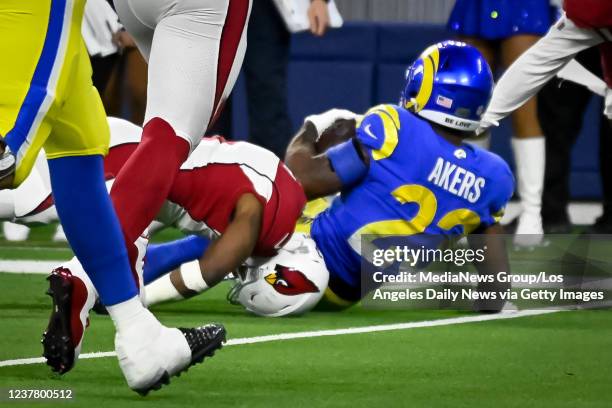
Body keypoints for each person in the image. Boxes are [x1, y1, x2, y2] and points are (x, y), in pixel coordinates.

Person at [143, 41, 516, 315]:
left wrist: (309, 131)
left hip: (306, 255)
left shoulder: (396, 127)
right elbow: (494, 290)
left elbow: (298, 180)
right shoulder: (494, 176)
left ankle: (126, 269)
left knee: (245, 204)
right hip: (343, 294)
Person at [0, 0, 224, 395]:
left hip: (65, 18)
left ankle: (140, 335)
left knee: (81, 153)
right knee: (6, 158)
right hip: (31, 12)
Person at [0, 115, 305, 361]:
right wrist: (143, 300)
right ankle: (79, 280)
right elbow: (206, 271)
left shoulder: (290, 200)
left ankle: (86, 282)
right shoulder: (261, 226)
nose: (239, 275)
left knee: (124, 242)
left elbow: (193, 230)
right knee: (27, 201)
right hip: (127, 163)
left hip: (137, 156)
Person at [448, 0, 557, 245]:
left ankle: (531, 216)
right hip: (476, 7)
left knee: (523, 108)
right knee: (469, 109)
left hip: (523, 6)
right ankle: (469, 212)